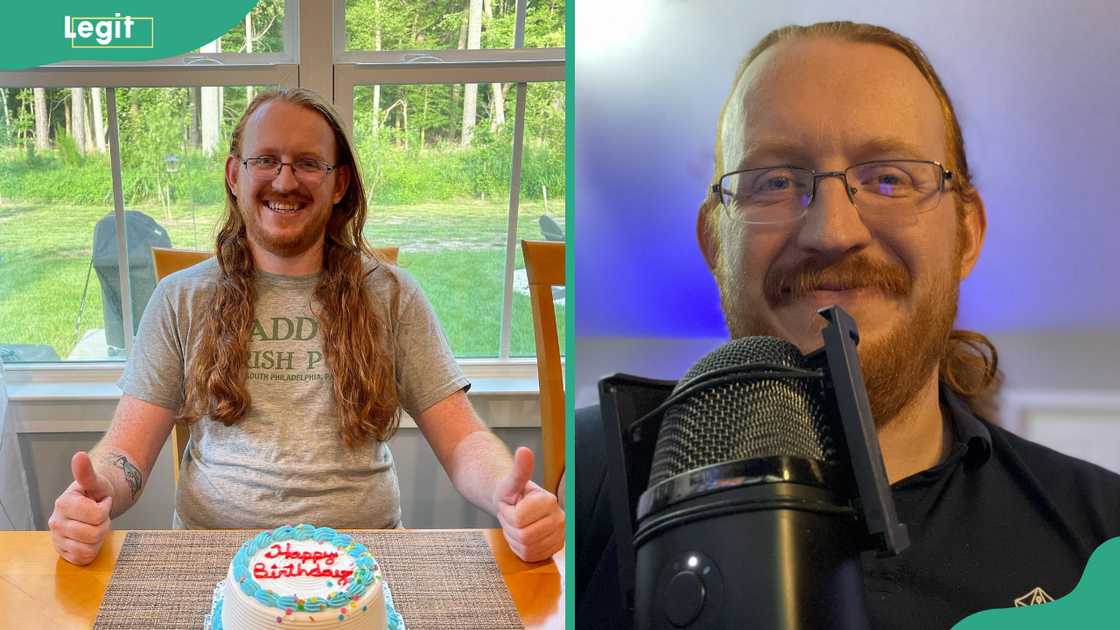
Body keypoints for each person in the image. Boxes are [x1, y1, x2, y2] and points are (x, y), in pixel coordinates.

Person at [576, 21, 1120, 629]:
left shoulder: (1106, 541)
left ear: (967, 234)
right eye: (776, 182)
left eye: (889, 178)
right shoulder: (582, 478)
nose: (833, 233)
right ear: (714, 242)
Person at [48, 88, 564, 566]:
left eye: (308, 163)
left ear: (339, 183)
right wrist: (99, 493)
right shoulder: (180, 298)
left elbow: (462, 440)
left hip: (365, 562)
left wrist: (505, 489)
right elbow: (127, 454)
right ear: (234, 175)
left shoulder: (392, 294)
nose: (286, 180)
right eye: (266, 160)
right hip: (214, 564)